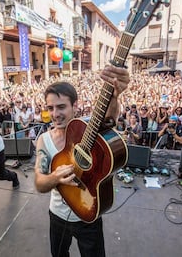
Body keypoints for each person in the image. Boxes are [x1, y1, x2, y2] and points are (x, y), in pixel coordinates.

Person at [34, 65, 129, 257]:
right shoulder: (44, 140)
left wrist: (114, 96)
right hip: (57, 216)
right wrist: (55, 177)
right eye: (50, 108)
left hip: (88, 215)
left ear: (75, 106)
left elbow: (109, 119)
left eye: (61, 107)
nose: (55, 114)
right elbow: (39, 183)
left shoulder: (87, 129)